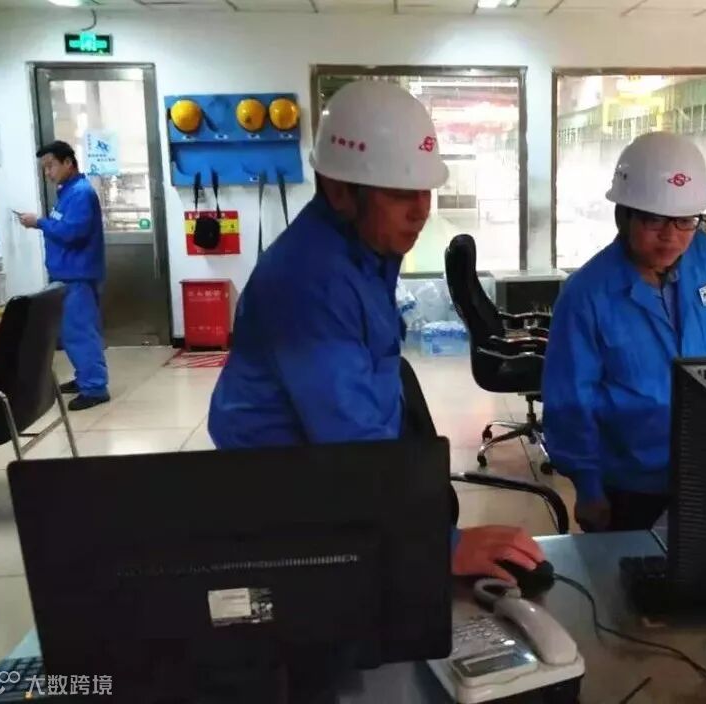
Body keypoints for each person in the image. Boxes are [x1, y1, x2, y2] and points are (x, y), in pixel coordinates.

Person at [208, 81, 543, 583]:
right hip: (289, 501)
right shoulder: (310, 282)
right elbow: (350, 443)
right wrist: (442, 546)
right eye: (401, 194)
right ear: (340, 190)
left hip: (342, 481)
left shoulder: (366, 252)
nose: (421, 209)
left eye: (425, 190)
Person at [543, 132, 706, 533]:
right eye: (654, 219)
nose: (671, 236)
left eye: (685, 220)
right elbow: (570, 401)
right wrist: (588, 488)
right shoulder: (587, 294)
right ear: (623, 216)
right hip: (630, 483)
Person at [18, 141, 109, 411]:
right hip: (67, 275)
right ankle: (85, 378)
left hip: (77, 276)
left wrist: (39, 222)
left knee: (81, 333)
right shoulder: (68, 192)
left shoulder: (81, 193)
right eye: (44, 168)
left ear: (68, 162)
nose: (48, 173)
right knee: (72, 333)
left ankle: (95, 388)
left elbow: (72, 233)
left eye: (51, 166)